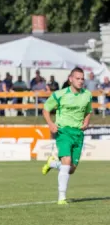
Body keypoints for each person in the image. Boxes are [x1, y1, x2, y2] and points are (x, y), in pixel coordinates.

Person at [41, 67, 92, 205]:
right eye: (78, 78)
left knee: (71, 169)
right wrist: (51, 124)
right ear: (70, 79)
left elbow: (89, 111)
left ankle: (52, 163)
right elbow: (46, 109)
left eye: (82, 79)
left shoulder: (87, 95)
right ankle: (61, 197)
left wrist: (87, 121)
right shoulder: (59, 94)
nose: (80, 81)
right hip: (63, 131)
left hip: (78, 134)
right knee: (67, 161)